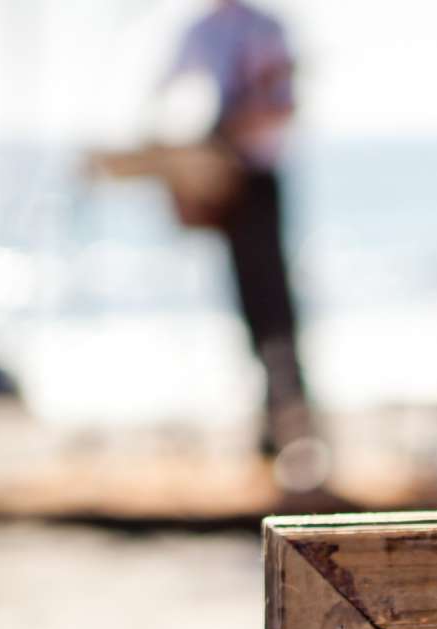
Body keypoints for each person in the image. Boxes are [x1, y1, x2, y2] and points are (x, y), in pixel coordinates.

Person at [159, 1, 313, 463]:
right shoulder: (201, 29)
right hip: (217, 174)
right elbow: (166, 91)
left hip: (257, 175)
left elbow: (282, 103)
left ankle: (291, 417)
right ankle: (269, 416)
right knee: (247, 299)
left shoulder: (265, 27)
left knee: (274, 301)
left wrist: (230, 130)